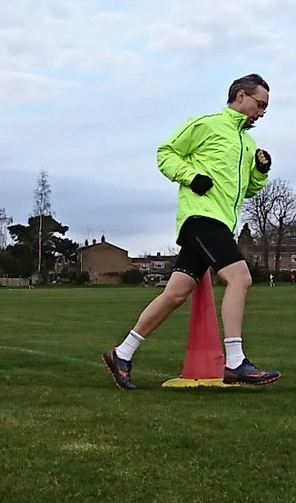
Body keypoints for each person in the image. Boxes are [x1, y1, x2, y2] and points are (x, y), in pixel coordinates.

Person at [102, 73, 280, 389]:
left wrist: (262, 172)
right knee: (241, 278)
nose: (262, 112)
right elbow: (165, 153)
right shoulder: (206, 125)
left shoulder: (248, 143)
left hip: (222, 222)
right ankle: (236, 361)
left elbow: (248, 190)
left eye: (265, 108)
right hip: (200, 218)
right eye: (259, 104)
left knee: (175, 294)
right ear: (240, 96)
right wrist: (191, 176)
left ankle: (122, 353)